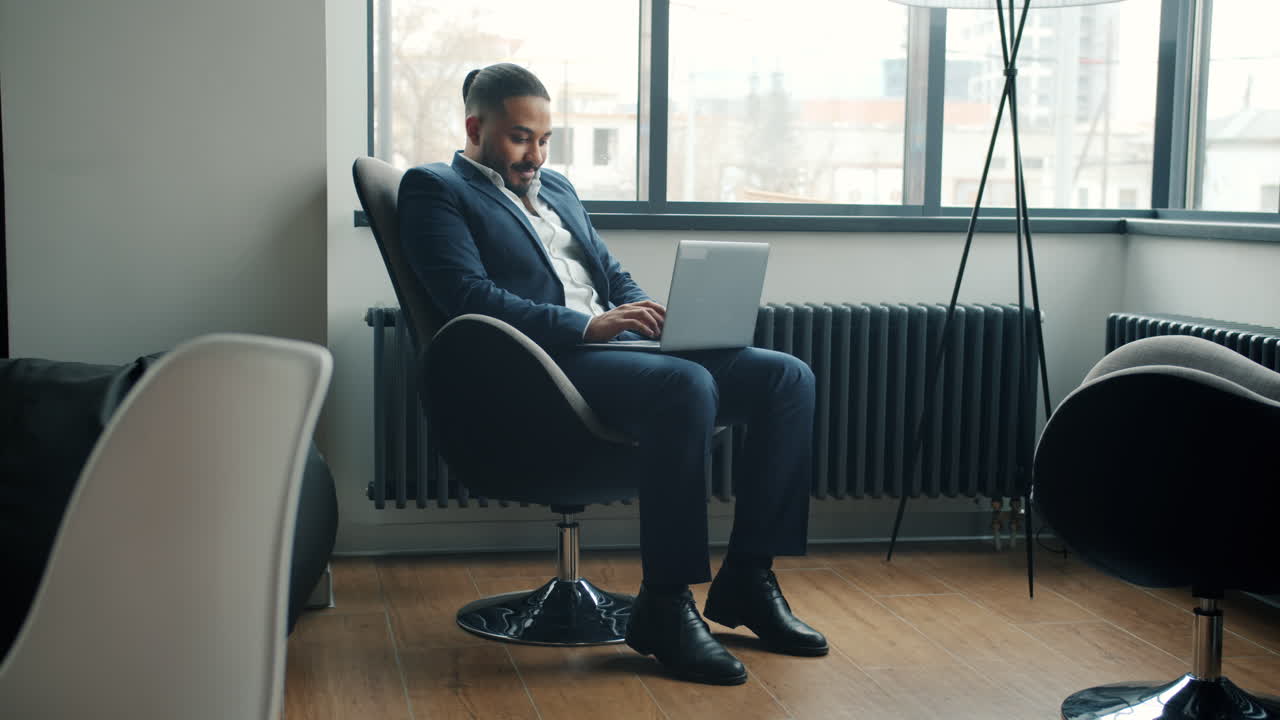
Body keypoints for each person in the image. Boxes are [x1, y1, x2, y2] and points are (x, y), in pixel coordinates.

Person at [399, 63, 826, 686]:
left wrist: (651, 314)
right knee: (687, 385)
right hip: (540, 366)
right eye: (521, 138)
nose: (535, 154)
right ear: (475, 126)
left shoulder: (559, 190)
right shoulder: (436, 189)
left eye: (545, 140)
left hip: (614, 351)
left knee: (786, 378)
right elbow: (466, 296)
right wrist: (586, 327)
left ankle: (748, 581)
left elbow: (608, 273)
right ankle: (666, 604)